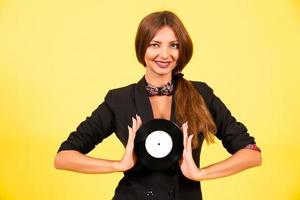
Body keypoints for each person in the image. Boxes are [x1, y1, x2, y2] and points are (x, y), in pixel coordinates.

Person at [54, 10, 262, 200]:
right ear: (142, 47)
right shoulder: (119, 99)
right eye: (155, 44)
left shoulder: (201, 94)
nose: (165, 55)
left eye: (174, 45)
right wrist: (119, 165)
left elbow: (251, 153)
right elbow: (63, 158)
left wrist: (200, 173)